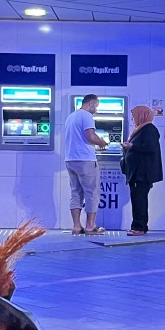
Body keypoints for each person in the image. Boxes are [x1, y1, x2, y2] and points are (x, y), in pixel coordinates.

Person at [65, 93, 107, 235]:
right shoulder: (87, 116)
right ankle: (90, 226)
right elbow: (91, 136)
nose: (96, 109)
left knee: (75, 193)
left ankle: (77, 227)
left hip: (70, 159)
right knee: (91, 193)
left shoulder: (71, 116)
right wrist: (102, 142)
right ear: (91, 103)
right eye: (96, 106)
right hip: (85, 160)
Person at [121, 105, 163, 235]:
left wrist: (132, 145)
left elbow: (150, 148)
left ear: (141, 115)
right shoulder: (140, 130)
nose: (133, 119)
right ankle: (137, 226)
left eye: (134, 116)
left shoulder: (149, 129)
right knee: (137, 199)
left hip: (142, 173)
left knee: (139, 200)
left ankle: (140, 227)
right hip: (137, 173)